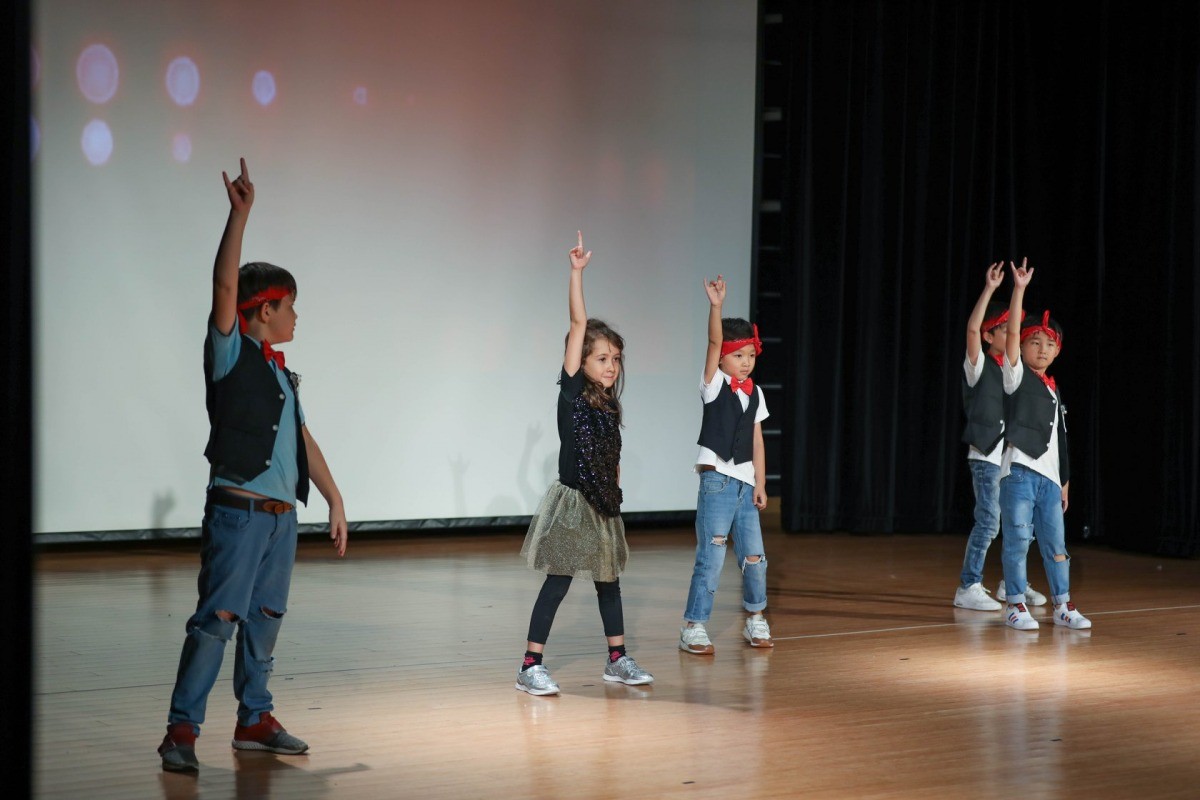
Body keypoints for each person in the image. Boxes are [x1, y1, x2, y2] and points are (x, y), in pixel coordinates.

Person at [158, 159, 349, 772]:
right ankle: (182, 731)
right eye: (290, 305)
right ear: (264, 309)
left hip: (279, 519)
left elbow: (303, 438)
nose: (296, 316)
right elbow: (223, 290)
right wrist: (238, 216)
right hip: (238, 515)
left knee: (265, 621)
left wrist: (335, 498)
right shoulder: (231, 355)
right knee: (217, 621)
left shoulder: (280, 373)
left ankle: (254, 720)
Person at [515, 231, 653, 695]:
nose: (611, 366)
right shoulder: (573, 393)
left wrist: (615, 496)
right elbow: (578, 322)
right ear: (581, 362)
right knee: (558, 583)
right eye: (602, 358)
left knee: (609, 583)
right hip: (574, 504)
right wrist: (576, 273)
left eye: (616, 359)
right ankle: (530, 665)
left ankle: (617, 658)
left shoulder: (610, 404)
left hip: (603, 505)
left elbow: (611, 457)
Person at [679, 275, 773, 655]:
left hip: (746, 483)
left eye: (751, 355)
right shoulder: (714, 384)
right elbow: (713, 341)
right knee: (713, 554)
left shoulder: (756, 393)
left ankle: (756, 616)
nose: (746, 362)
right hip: (717, 480)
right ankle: (694, 625)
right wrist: (716, 306)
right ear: (722, 359)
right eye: (739, 356)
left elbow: (757, 440)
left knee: (755, 557)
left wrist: (761, 483)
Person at [998, 259, 1090, 631]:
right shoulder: (1016, 376)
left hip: (1050, 480)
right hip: (1020, 472)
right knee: (1018, 539)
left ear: (1057, 351)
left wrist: (1064, 480)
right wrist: (1019, 289)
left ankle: (1063, 605)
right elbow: (1012, 331)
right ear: (1021, 345)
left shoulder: (1054, 390)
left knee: (1056, 545)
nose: (1042, 348)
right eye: (1034, 341)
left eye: (1049, 344)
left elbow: (1060, 440)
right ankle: (1015, 604)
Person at [956, 263, 1047, 610]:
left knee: (1019, 524)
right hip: (986, 456)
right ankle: (968, 585)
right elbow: (972, 328)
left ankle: (1012, 585)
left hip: (1011, 459)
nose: (1012, 334)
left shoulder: (1014, 371)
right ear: (988, 336)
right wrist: (991, 288)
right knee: (989, 521)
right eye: (1004, 329)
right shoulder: (978, 366)